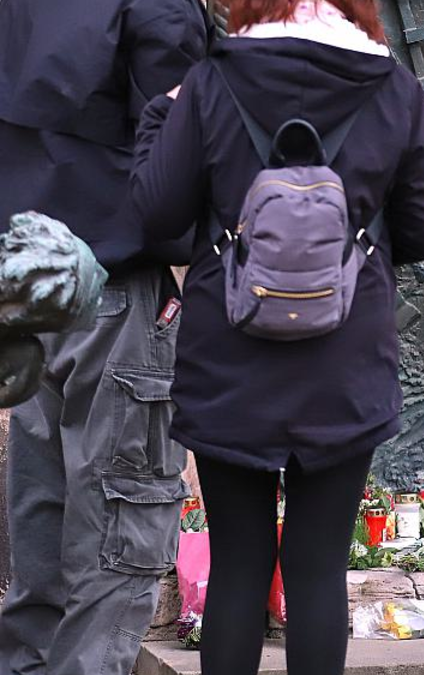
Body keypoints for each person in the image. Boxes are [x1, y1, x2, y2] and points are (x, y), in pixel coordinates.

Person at [129, 1, 424, 673]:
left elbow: (157, 212)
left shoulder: (212, 82)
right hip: (346, 359)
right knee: (316, 567)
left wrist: (163, 113)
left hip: (230, 357)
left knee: (240, 565)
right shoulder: (394, 88)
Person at [0, 1, 208, 674]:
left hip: (32, 289)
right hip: (118, 288)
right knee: (117, 556)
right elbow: (177, 161)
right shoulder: (158, 6)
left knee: (41, 552)